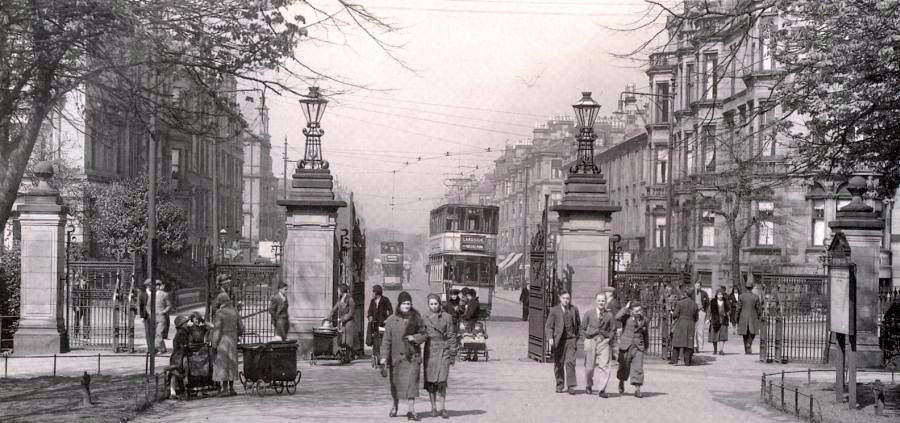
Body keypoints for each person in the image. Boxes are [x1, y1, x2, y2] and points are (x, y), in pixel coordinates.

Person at [380, 291, 428, 421]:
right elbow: (386, 341)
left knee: (412, 384)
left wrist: (415, 337)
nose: (407, 306)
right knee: (396, 384)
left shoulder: (417, 318)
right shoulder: (391, 320)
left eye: (409, 303)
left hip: (412, 356)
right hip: (396, 358)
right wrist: (383, 357)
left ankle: (411, 411)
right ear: (399, 304)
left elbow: (424, 334)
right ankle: (395, 407)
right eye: (404, 303)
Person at [423, 293, 458, 419]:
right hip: (430, 351)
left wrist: (453, 352)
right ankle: (433, 407)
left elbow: (451, 335)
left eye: (436, 304)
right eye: (431, 304)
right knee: (431, 382)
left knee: (442, 381)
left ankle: (443, 408)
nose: (434, 306)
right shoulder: (424, 318)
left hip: (444, 351)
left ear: (440, 304)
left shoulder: (447, 317)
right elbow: (421, 334)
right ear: (428, 305)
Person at [544, 290, 580, 395]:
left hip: (570, 340)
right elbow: (549, 326)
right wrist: (550, 338)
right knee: (558, 363)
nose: (566, 300)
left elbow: (578, 324)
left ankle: (571, 386)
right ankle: (559, 384)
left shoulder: (574, 309)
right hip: (558, 341)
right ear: (560, 299)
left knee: (570, 362)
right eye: (564, 298)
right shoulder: (554, 310)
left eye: (568, 298)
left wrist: (575, 338)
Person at [582, 290, 614, 397]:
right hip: (591, 341)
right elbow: (582, 328)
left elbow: (613, 330)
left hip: (604, 342)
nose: (601, 302)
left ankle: (601, 390)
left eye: (603, 301)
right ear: (596, 301)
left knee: (605, 366)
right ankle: (588, 385)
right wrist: (587, 337)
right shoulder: (589, 313)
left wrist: (608, 339)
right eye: (599, 300)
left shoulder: (609, 315)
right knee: (589, 367)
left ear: (605, 302)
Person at [616, 300, 649, 398]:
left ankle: (637, 389)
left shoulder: (644, 320)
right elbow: (617, 317)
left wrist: (646, 346)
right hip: (626, 346)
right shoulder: (626, 317)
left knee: (638, 367)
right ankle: (621, 382)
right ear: (631, 311)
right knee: (624, 366)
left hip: (638, 346)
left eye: (639, 310)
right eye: (636, 311)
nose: (638, 312)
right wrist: (625, 308)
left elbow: (646, 334)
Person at [212, 299, 240, 396]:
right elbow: (241, 327)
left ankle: (225, 389)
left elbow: (217, 330)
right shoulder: (235, 311)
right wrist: (237, 335)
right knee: (232, 362)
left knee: (223, 364)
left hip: (223, 340)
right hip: (232, 340)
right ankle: (232, 388)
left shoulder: (219, 313)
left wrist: (214, 343)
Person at [670, 288, 699, 366]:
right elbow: (696, 318)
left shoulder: (680, 303)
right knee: (689, 343)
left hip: (681, 323)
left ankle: (674, 360)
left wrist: (672, 313)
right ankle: (687, 361)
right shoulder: (695, 305)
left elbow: (675, 315)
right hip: (690, 323)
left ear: (686, 294)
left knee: (677, 341)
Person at [167, 315, 191, 400]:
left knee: (176, 372)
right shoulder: (181, 333)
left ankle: (174, 390)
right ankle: (173, 391)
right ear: (181, 325)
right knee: (177, 371)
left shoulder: (184, 332)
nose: (187, 324)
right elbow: (182, 346)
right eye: (185, 323)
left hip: (179, 355)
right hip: (178, 356)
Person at [368, 284, 393, 363]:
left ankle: (383, 356)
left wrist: (387, 320)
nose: (372, 294)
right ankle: (376, 356)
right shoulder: (372, 301)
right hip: (374, 324)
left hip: (383, 324)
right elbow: (369, 312)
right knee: (375, 341)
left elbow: (391, 311)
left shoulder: (385, 300)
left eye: (373, 292)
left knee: (382, 340)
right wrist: (370, 317)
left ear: (377, 293)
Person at [328, 283, 356, 355]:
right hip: (341, 322)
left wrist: (345, 318)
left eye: (338, 290)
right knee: (341, 338)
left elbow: (351, 312)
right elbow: (335, 308)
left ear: (341, 290)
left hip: (348, 322)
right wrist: (329, 315)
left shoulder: (350, 299)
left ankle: (349, 354)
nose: (337, 292)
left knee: (348, 340)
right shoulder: (340, 299)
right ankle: (342, 354)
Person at [736, 282, 762, 355]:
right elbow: (758, 308)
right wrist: (760, 315)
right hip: (753, 316)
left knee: (745, 333)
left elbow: (738, 308)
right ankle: (749, 344)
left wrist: (736, 317)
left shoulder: (741, 296)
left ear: (746, 287)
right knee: (752, 332)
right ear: (752, 287)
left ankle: (747, 350)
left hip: (743, 316)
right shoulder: (756, 297)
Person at [708, 288, 731, 355]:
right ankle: (715, 350)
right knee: (714, 335)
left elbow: (729, 310)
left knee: (723, 336)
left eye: (721, 294)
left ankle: (721, 350)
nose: (720, 296)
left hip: (724, 320)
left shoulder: (726, 302)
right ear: (716, 295)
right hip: (715, 320)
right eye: (719, 294)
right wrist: (707, 318)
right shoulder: (713, 302)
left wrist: (727, 314)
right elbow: (709, 310)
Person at [152, 280, 172, 354]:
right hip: (153, 316)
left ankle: (156, 348)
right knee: (155, 333)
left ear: (159, 286)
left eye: (157, 285)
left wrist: (164, 311)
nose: (155, 286)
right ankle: (162, 349)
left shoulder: (164, 294)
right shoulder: (151, 294)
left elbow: (169, 305)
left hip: (161, 317)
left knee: (159, 333)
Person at [692, 280, 710, 353]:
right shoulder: (691, 293)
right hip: (692, 312)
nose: (698, 286)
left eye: (699, 285)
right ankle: (694, 345)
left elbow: (708, 303)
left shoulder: (704, 293)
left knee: (700, 330)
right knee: (693, 329)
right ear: (694, 285)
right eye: (696, 285)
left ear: (701, 286)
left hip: (701, 312)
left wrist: (704, 311)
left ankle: (700, 347)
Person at [139, 279, 152, 350]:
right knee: (147, 332)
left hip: (155, 315)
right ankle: (150, 348)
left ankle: (154, 346)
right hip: (146, 315)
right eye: (149, 285)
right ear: (147, 286)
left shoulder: (155, 293)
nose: (150, 287)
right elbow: (141, 306)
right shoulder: (142, 295)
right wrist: (141, 316)